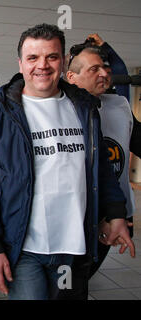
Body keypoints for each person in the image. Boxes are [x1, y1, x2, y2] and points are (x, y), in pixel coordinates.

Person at [0, 23, 135, 300]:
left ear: (64, 61)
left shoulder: (83, 106)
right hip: (23, 247)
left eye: (51, 57)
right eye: (33, 58)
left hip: (75, 247)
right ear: (21, 63)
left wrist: (115, 212)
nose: (42, 65)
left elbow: (100, 167)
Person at [66, 44, 141, 278]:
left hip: (114, 212)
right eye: (94, 69)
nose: (104, 74)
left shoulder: (120, 106)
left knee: (82, 278)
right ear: (71, 77)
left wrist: (114, 215)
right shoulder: (61, 109)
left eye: (106, 68)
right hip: (76, 214)